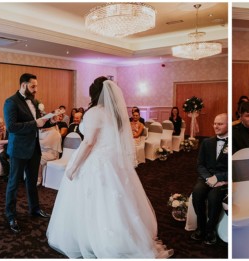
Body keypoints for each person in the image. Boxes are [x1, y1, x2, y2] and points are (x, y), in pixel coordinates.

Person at [47, 77, 173, 258]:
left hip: (95, 161)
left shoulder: (94, 113)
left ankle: (90, 239)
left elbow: (89, 142)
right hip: (113, 162)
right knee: (115, 202)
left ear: (94, 94)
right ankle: (123, 236)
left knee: (93, 201)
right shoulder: (115, 113)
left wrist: (73, 166)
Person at [3, 73, 56, 233]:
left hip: (34, 148)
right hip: (18, 149)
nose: (36, 89)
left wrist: (50, 120)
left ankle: (34, 208)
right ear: (24, 85)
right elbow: (12, 127)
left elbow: (38, 123)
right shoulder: (11, 102)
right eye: (33, 86)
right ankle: (11, 215)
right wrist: (35, 123)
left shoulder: (35, 102)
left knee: (32, 181)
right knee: (13, 184)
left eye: (36, 86)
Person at [190, 113, 229, 246]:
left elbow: (236, 167)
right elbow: (200, 164)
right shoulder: (207, 142)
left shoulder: (234, 143)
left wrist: (219, 178)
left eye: (220, 124)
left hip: (224, 179)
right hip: (206, 177)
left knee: (214, 197)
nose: (216, 126)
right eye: (215, 123)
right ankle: (201, 227)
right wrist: (208, 178)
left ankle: (210, 230)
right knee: (197, 193)